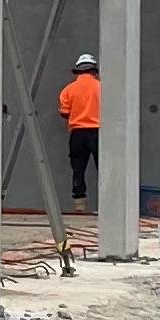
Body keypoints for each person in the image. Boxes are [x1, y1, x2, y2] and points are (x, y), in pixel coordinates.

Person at [58, 53, 103, 212]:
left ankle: (80, 205)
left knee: (78, 169)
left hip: (77, 133)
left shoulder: (68, 90)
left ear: (77, 71)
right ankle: (107, 204)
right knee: (103, 168)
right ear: (94, 71)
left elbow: (64, 112)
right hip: (98, 132)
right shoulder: (102, 87)